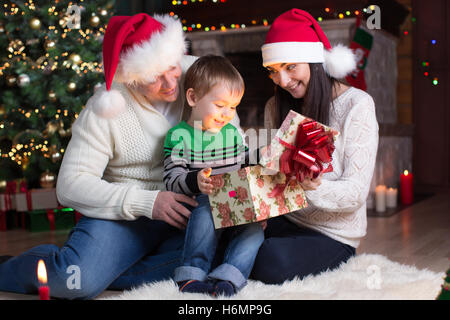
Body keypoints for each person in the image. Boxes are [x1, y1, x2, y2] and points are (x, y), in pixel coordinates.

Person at [0, 13, 244, 299]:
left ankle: (114, 269)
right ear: (130, 78)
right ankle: (22, 267)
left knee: (233, 256)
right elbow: (69, 186)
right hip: (125, 213)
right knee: (75, 281)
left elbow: (232, 142)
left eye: (172, 68)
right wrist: (146, 202)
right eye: (154, 77)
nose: (170, 83)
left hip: (190, 205)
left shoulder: (201, 77)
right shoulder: (105, 108)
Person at [250, 9, 379, 284]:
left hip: (332, 234)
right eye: (273, 71)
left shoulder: (358, 105)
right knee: (225, 230)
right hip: (287, 219)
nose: (282, 81)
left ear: (315, 61)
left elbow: (356, 193)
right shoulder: (275, 106)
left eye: (290, 67)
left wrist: (315, 187)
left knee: (268, 259)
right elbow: (276, 183)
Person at [164, 55, 264, 296]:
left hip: (235, 202)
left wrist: (263, 156)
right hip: (202, 206)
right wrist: (195, 180)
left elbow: (244, 162)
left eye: (233, 107)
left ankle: (229, 276)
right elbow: (171, 179)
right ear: (193, 98)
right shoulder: (179, 136)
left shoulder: (231, 132)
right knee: (208, 208)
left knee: (255, 229)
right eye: (220, 106)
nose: (227, 114)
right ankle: (191, 274)